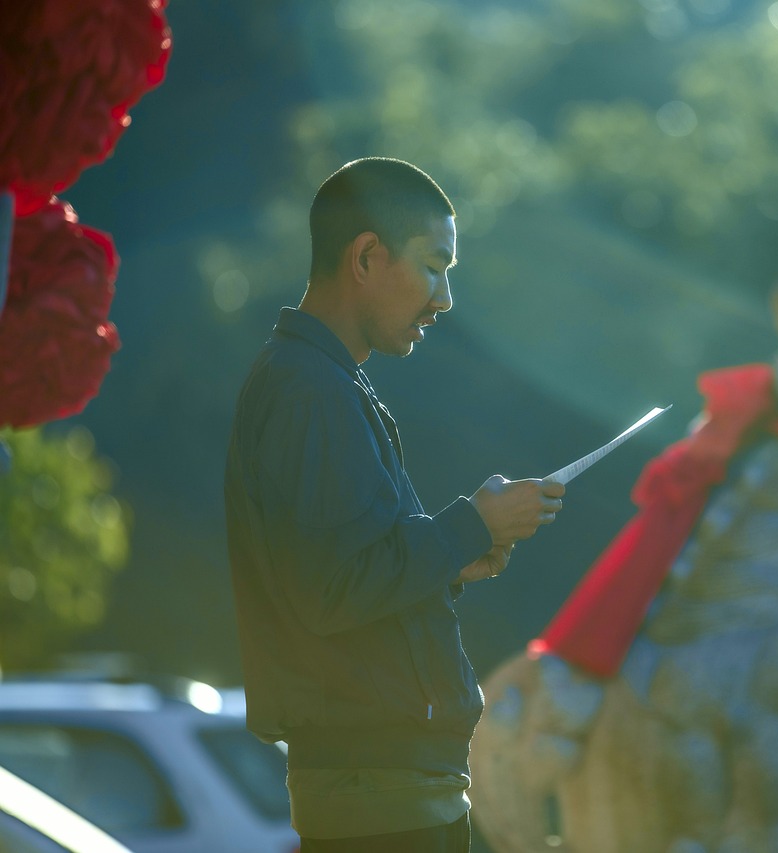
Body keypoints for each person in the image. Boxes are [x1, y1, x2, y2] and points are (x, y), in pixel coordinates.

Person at [224, 157, 565, 852]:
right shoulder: (309, 391)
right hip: (375, 802)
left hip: (397, 791)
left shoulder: (324, 383)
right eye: (435, 267)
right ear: (368, 257)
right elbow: (331, 587)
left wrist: (456, 556)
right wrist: (472, 524)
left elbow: (347, 568)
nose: (443, 299)